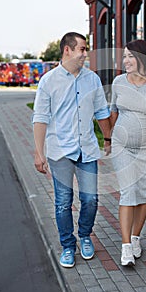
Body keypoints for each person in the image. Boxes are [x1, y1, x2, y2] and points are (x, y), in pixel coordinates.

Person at [33, 32, 111, 268]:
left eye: (85, 49)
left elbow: (101, 112)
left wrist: (107, 138)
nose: (85, 54)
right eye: (82, 49)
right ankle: (68, 246)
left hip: (86, 148)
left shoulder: (92, 79)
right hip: (59, 152)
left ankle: (85, 236)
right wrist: (39, 152)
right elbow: (40, 118)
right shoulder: (48, 81)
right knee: (63, 201)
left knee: (90, 199)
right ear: (67, 50)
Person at [110, 39, 146, 266]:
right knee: (128, 193)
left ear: (142, 58)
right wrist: (109, 138)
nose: (125, 60)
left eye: (130, 56)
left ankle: (135, 238)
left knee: (143, 194)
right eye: (124, 56)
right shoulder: (118, 82)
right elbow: (113, 111)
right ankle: (126, 247)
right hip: (122, 147)